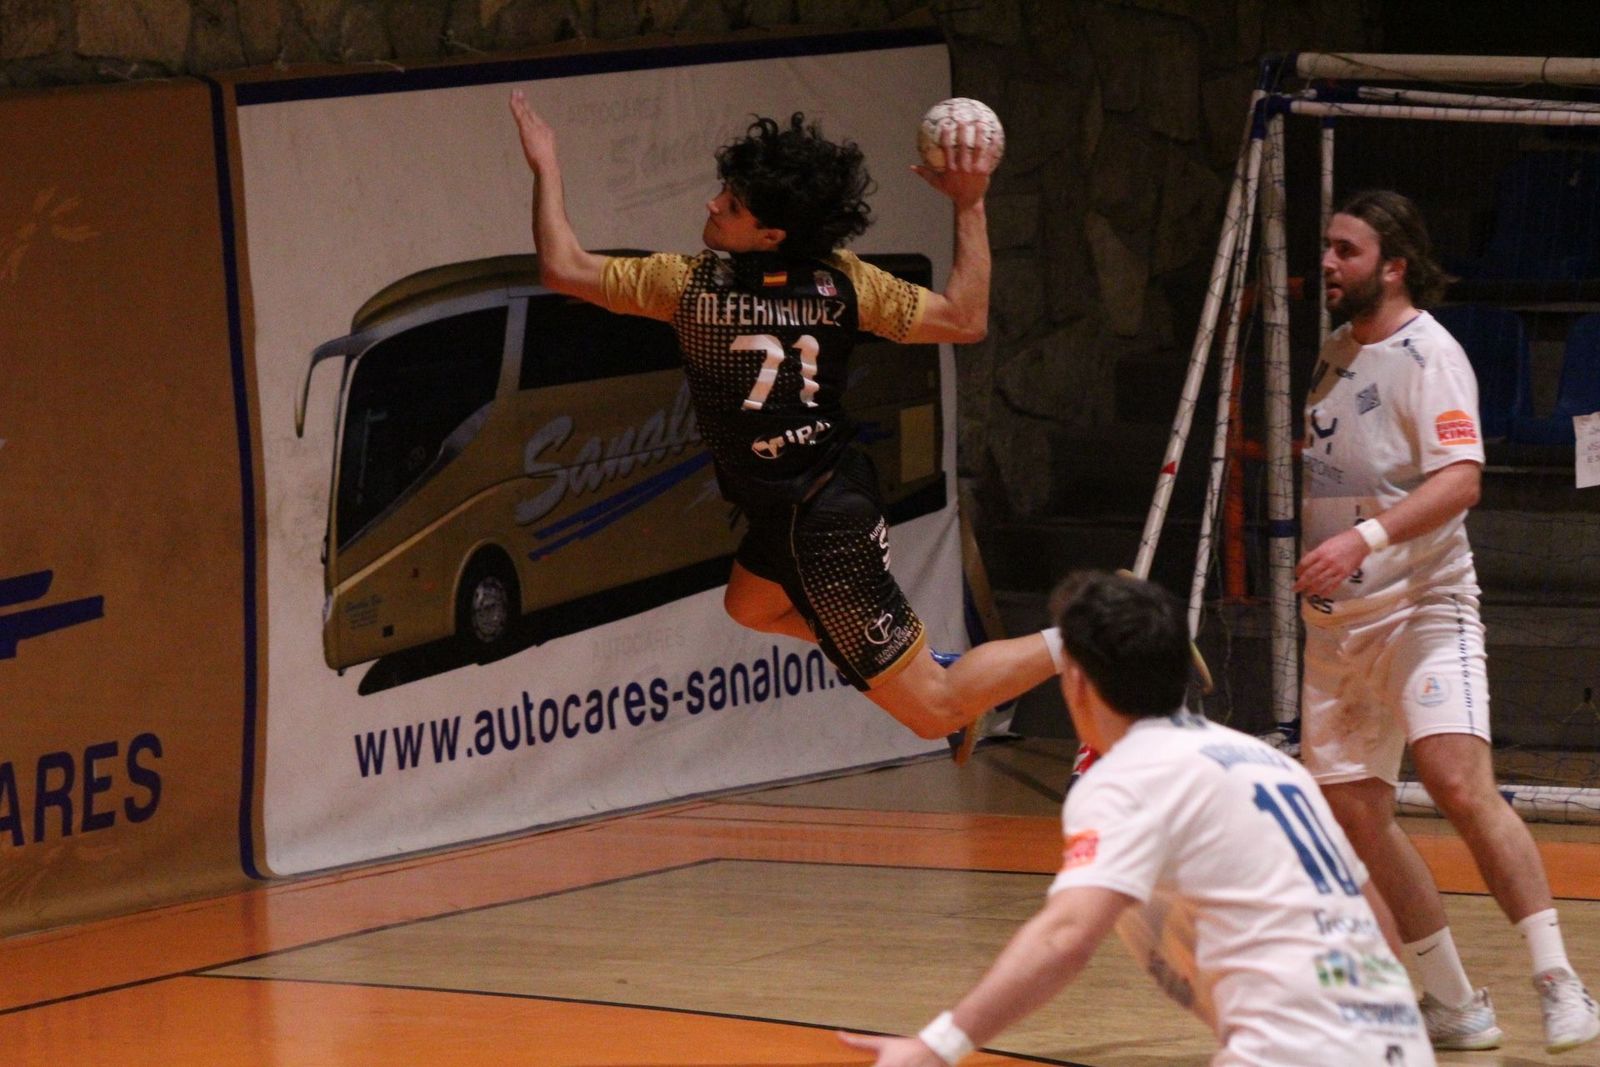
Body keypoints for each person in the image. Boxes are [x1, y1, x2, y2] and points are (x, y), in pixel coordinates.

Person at [508, 91, 1064, 752]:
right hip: (814, 494)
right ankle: (912, 662)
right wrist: (968, 204)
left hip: (821, 525)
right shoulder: (846, 284)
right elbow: (965, 319)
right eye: (725, 191)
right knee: (751, 605)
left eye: (734, 205)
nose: (714, 203)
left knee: (935, 712)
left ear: (771, 235)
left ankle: (1087, 634)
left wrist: (547, 168)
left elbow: (562, 267)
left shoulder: (689, 288)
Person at [838, 570, 1436, 1066]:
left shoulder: (1127, 778)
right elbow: (1378, 925)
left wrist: (934, 1046)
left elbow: (1066, 937)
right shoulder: (1273, 765)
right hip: (1398, 1046)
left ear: (1075, 681)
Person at [1294, 188, 1598, 1054]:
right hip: (1337, 624)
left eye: (1345, 251)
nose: (1328, 263)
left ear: (1392, 264)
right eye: (1326, 247)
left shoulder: (1432, 354)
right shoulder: (1331, 352)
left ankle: (1559, 981)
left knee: (1460, 782)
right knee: (1354, 814)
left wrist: (1363, 534)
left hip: (1425, 606)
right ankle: (1456, 1000)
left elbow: (1461, 479)